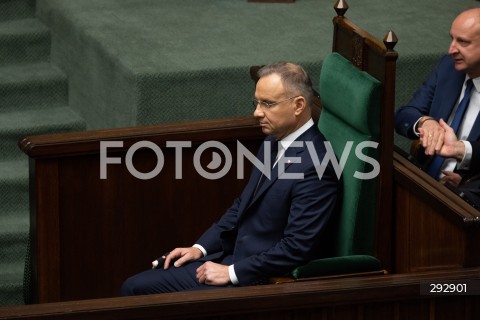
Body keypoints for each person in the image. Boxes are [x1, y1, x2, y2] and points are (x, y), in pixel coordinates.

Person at [120, 61, 342, 295]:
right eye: (257, 102)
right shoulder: (273, 141)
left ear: (298, 105)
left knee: (135, 291)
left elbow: (297, 248)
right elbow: (242, 206)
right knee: (139, 285)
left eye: (267, 104)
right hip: (230, 256)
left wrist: (232, 272)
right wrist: (200, 248)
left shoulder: (317, 166)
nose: (257, 112)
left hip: (260, 280)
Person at [395, 8, 480, 186]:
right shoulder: (448, 67)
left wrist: (466, 177)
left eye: (462, 42)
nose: (451, 50)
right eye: (452, 39)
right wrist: (425, 122)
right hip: (421, 176)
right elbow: (404, 115)